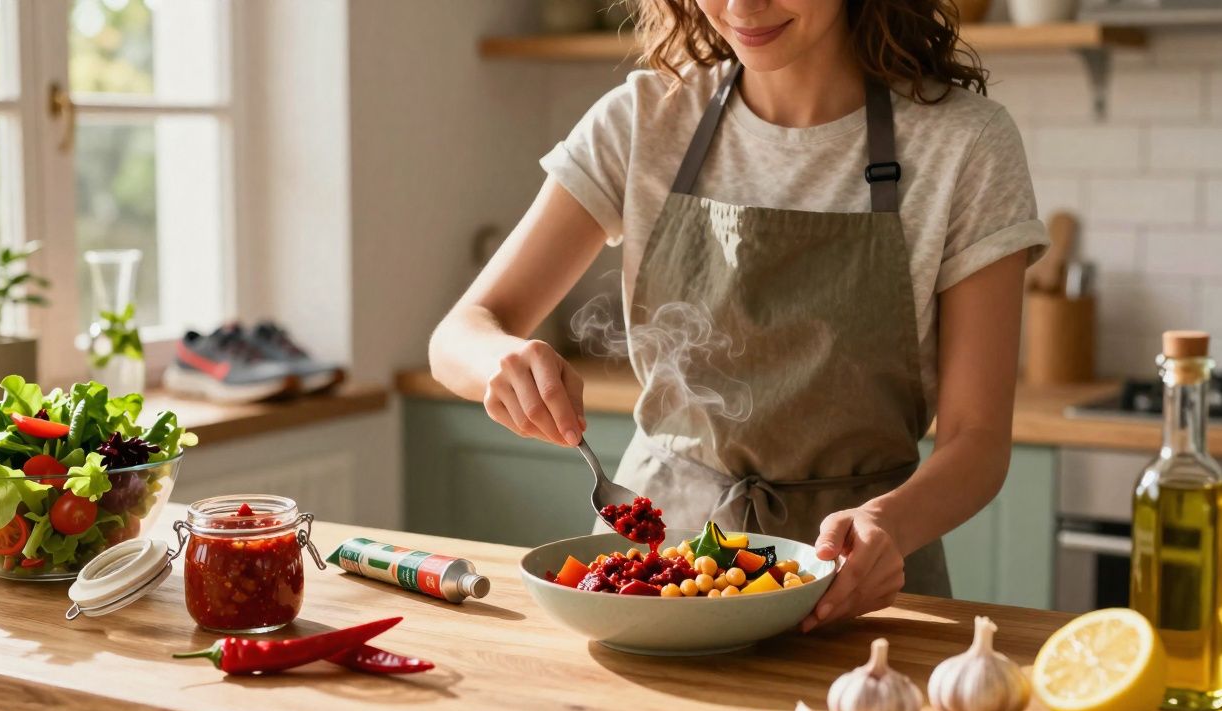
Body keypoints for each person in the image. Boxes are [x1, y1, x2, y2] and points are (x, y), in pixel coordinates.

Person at [429, 0, 1047, 630]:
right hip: (654, 570)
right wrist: (498, 361)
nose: (740, 7)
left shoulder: (965, 144)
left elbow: (978, 439)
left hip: (851, 580)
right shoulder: (645, 118)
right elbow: (460, 333)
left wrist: (889, 523)